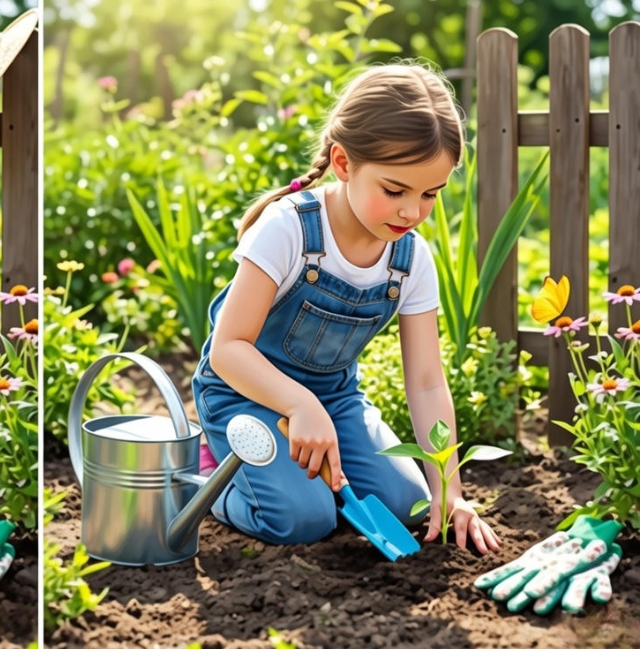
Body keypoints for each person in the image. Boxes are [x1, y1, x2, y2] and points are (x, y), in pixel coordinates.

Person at [192, 63, 499, 554]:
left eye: (430, 195)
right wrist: (298, 403)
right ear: (343, 163)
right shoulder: (288, 228)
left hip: (334, 404)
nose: (411, 211)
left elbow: (426, 382)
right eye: (395, 191)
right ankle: (208, 474)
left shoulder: (411, 259)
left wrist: (449, 490)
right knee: (300, 520)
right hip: (245, 397)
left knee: (409, 505)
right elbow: (227, 350)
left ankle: (308, 479)